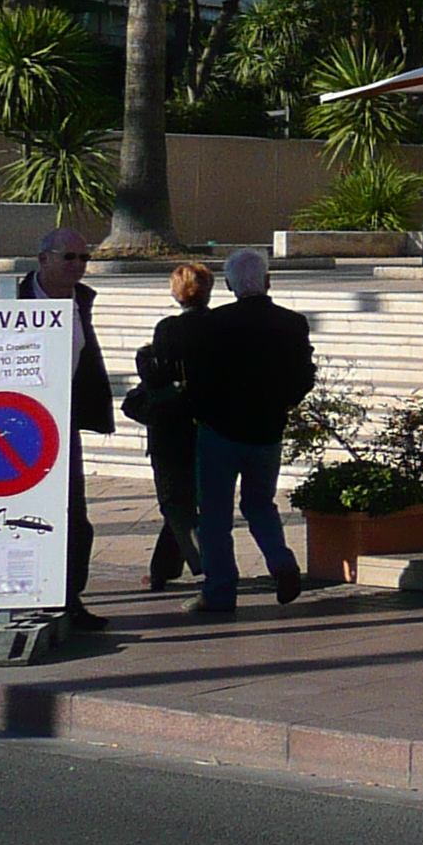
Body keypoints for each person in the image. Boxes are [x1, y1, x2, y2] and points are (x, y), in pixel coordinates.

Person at [183, 248, 317, 616]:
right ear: (268, 280)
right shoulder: (291, 323)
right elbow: (305, 375)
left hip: (220, 430)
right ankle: (282, 562)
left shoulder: (210, 324)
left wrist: (204, 412)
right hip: (267, 428)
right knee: (260, 503)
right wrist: (284, 402)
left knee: (214, 515)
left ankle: (220, 590)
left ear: (228, 284)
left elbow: (197, 380)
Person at [12, 227, 111, 630]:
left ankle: (69, 598)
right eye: (69, 257)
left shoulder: (80, 300)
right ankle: (24, 595)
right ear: (43, 259)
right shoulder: (11, 301)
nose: (78, 267)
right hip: (18, 426)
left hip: (63, 420)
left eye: (84, 259)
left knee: (74, 516)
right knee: (25, 516)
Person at [127, 263, 214, 591]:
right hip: (208, 422)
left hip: (170, 426)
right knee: (186, 497)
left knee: (174, 501)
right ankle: (163, 569)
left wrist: (143, 358)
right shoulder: (218, 325)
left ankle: (205, 561)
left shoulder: (168, 329)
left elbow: (155, 376)